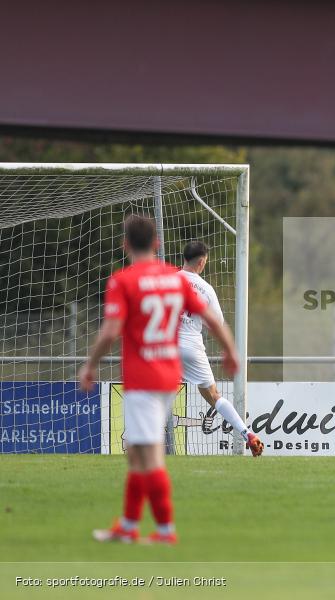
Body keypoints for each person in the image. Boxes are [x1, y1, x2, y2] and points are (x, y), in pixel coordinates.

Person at [79, 215, 238, 545]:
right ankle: (128, 525)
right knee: (137, 454)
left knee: (149, 455)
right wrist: (230, 351)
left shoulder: (123, 280)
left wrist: (90, 365)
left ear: (125, 245)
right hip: (167, 375)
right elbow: (212, 319)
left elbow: (110, 331)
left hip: (142, 378)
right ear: (157, 244)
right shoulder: (173, 279)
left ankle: (165, 530)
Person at [178, 241, 263, 456]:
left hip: (165, 346)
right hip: (191, 346)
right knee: (214, 395)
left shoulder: (167, 281)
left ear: (184, 258)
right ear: (201, 262)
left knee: (154, 393)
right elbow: (217, 323)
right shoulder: (205, 289)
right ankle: (247, 434)